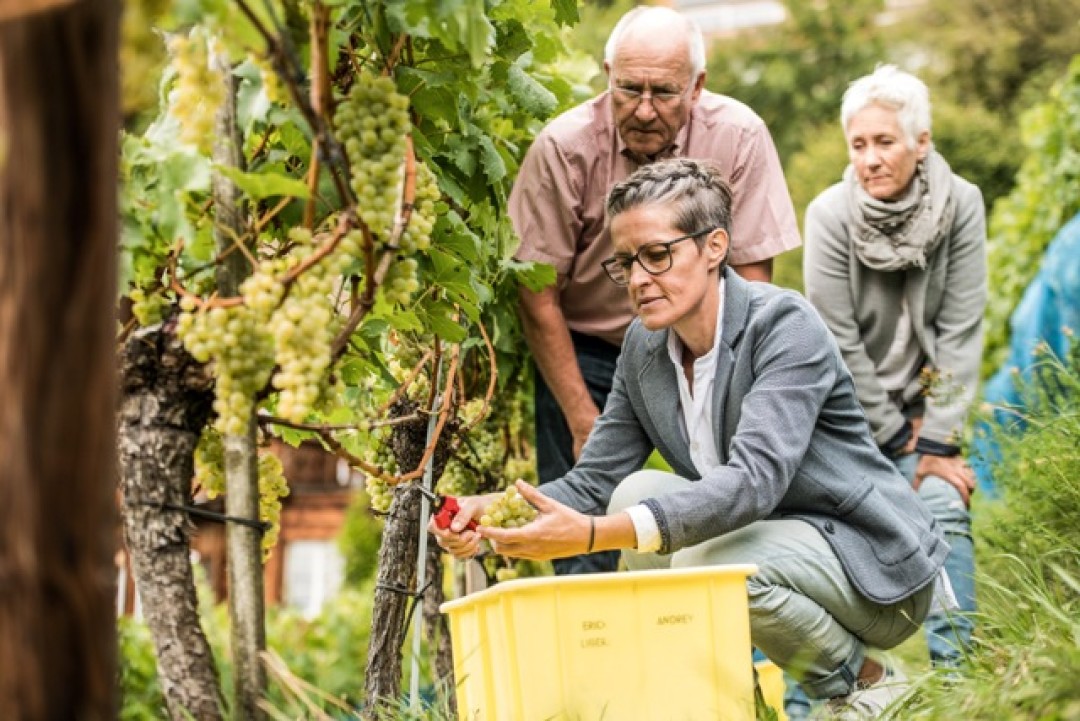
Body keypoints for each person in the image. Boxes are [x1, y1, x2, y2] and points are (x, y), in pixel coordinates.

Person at [434, 158, 949, 718]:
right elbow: (594, 483)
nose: (637, 279)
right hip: (776, 548)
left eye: (657, 255)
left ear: (714, 247)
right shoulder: (645, 348)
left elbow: (754, 481)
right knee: (631, 495)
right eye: (625, 263)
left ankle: (866, 684)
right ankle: (730, 703)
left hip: (872, 566)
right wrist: (493, 517)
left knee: (714, 563)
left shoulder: (782, 325)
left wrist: (591, 536)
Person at [509, 6, 801, 575]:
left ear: (697, 87)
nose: (643, 110)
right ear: (606, 73)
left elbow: (752, 276)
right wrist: (580, 415)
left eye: (664, 93)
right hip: (589, 350)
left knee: (726, 501)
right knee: (580, 513)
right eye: (629, 89)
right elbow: (537, 293)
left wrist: (721, 378)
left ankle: (733, 648)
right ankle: (588, 653)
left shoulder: (738, 136)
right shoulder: (563, 147)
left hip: (703, 343)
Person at [800, 65, 985, 710]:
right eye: (859, 145)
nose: (871, 160)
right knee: (815, 538)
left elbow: (962, 328)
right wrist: (888, 433)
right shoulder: (828, 215)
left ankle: (962, 687)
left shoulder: (961, 204)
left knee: (943, 506)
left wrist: (937, 440)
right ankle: (821, 696)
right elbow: (837, 343)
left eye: (885, 142)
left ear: (921, 142)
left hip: (928, 415)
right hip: (847, 419)